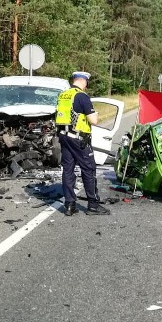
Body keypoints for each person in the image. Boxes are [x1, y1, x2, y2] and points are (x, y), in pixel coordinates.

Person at [55, 71, 110, 216]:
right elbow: (94, 121)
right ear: (84, 82)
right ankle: (93, 205)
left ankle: (69, 205)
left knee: (67, 170)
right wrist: (96, 114)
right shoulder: (82, 96)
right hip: (78, 138)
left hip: (64, 136)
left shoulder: (63, 95)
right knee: (88, 169)